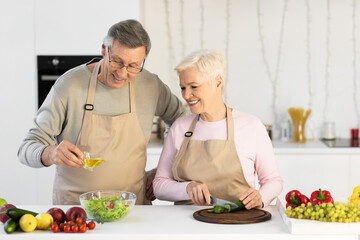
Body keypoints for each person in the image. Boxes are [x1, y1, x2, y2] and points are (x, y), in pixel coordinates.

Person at [18, 19, 185, 205]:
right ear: (104, 50)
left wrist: (163, 170)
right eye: (117, 61)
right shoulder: (69, 85)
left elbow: (184, 122)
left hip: (133, 209)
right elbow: (27, 147)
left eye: (133, 66)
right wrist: (50, 153)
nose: (122, 73)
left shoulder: (150, 85)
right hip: (76, 211)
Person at [153, 49, 283, 208]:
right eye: (183, 88)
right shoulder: (180, 127)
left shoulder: (252, 126)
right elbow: (159, 185)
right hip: (187, 225)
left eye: (193, 86)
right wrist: (186, 188)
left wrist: (261, 197)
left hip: (238, 224)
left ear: (218, 82)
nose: (186, 95)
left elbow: (273, 181)